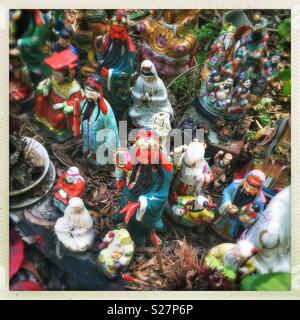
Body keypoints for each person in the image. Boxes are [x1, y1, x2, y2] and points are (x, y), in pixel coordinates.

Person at [114, 129, 173, 246]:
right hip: (129, 190)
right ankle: (122, 218)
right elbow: (121, 162)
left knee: (139, 222)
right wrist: (119, 178)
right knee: (124, 206)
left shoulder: (164, 170)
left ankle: (139, 235)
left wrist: (141, 203)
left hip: (144, 199)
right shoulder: (133, 152)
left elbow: (160, 195)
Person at [212, 169, 266, 241]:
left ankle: (226, 240)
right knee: (218, 225)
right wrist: (227, 204)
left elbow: (258, 216)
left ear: (259, 188)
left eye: (254, 187)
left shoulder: (259, 200)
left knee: (231, 232)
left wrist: (247, 217)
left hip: (238, 220)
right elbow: (226, 192)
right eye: (248, 184)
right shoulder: (235, 185)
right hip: (226, 212)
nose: (248, 189)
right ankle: (213, 232)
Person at [129, 60, 174, 128]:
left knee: (166, 113)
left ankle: (158, 125)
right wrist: (141, 97)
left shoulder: (158, 83)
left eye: (149, 75)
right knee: (132, 113)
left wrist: (152, 99)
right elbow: (135, 94)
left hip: (158, 107)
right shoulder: (140, 81)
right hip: (144, 106)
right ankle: (146, 126)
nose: (147, 77)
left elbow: (164, 97)